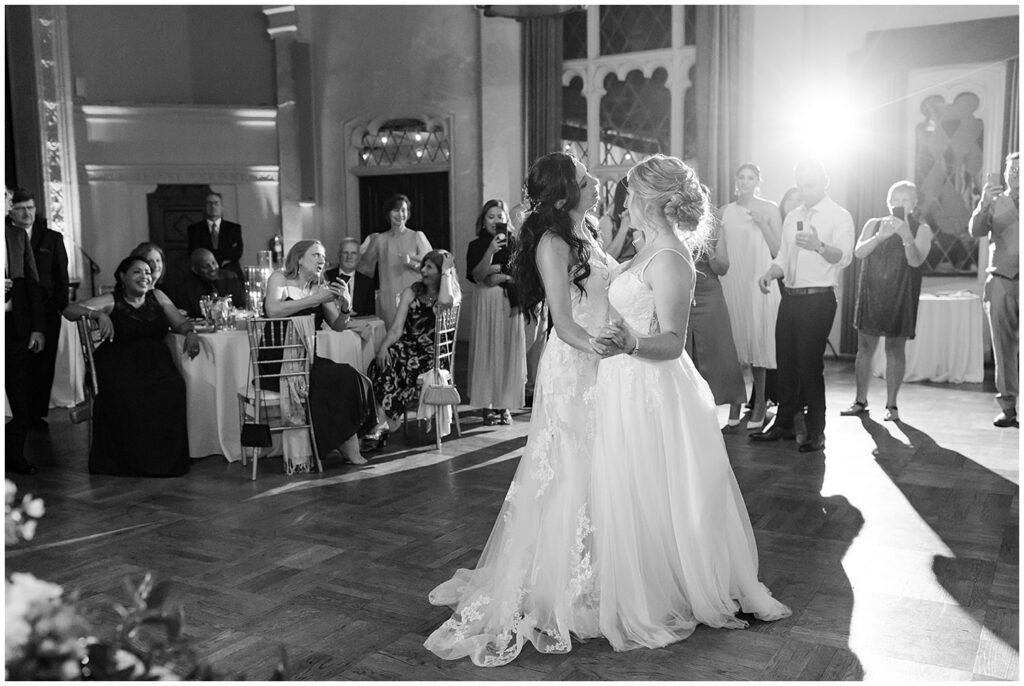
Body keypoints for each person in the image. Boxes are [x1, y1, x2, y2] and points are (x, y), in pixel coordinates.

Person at [589, 153, 791, 650]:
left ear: (647, 201)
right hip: (625, 384)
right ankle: (644, 577)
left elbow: (674, 342)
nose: (624, 202)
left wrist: (630, 342)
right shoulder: (644, 249)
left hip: (653, 389)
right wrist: (619, 337)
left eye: (629, 193)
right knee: (636, 487)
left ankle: (671, 587)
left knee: (662, 487)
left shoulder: (672, 258)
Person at [425, 152, 612, 665]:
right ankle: (560, 582)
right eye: (582, 177)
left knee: (596, 468)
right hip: (576, 364)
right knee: (567, 470)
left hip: (597, 361)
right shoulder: (553, 244)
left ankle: (598, 570)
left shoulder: (585, 232)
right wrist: (611, 350)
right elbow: (565, 322)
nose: (592, 179)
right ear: (562, 195)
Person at [752, 159, 854, 453]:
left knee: (810, 366)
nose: (805, 191)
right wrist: (770, 274)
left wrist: (819, 246)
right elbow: (784, 255)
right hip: (791, 297)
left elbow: (844, 257)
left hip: (819, 298)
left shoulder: (838, 215)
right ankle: (783, 424)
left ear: (824, 182)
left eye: (810, 185)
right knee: (785, 363)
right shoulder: (793, 215)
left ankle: (816, 431)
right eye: (800, 185)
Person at [63, 256, 197, 477]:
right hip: (118, 361)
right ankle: (129, 461)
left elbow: (179, 322)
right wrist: (96, 314)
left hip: (156, 361)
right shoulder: (111, 299)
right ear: (123, 277)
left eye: (147, 272)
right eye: (137, 272)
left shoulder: (158, 296)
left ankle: (165, 459)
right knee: (128, 392)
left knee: (173, 388)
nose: (144, 276)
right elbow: (69, 310)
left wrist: (190, 332)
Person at [263, 240, 379, 467]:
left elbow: (338, 325)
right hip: (277, 360)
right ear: (299, 258)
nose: (322, 261)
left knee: (349, 375)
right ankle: (344, 444)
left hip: (307, 358)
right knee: (333, 378)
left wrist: (345, 306)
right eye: (316, 255)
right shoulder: (280, 279)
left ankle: (345, 439)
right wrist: (316, 299)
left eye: (323, 257)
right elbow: (273, 310)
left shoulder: (318, 288)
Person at [843, 181, 933, 422]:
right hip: (872, 291)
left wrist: (906, 236)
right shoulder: (873, 224)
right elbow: (859, 253)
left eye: (905, 199)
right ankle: (860, 400)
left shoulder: (922, 229)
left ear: (914, 204)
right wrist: (880, 237)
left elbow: (915, 262)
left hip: (901, 293)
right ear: (888, 201)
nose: (899, 203)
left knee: (895, 348)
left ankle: (891, 405)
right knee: (864, 348)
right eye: (895, 199)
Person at [366, 249, 461, 443]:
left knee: (401, 367)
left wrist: (446, 272)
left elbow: (445, 301)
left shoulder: (452, 293)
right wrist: (383, 347)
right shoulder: (412, 291)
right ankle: (385, 418)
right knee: (381, 361)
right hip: (409, 346)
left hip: (434, 352)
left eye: (430, 267)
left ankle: (386, 420)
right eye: (423, 265)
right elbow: (397, 328)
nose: (423, 270)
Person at [717, 163, 782, 430]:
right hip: (732, 282)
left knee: (758, 342)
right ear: (735, 180)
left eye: (750, 177)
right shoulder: (723, 212)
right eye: (741, 176)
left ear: (758, 181)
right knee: (733, 345)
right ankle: (735, 400)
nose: (745, 181)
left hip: (759, 282)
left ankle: (760, 403)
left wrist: (763, 223)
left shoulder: (769, 209)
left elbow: (779, 249)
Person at [8, 188, 69, 431]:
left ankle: (37, 413)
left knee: (44, 365)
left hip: (46, 310)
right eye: (21, 208)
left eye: (31, 208)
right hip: (18, 311)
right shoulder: (9, 235)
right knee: (21, 368)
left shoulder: (51, 238)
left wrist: (59, 306)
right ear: (11, 210)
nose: (27, 213)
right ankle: (20, 414)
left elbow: (61, 275)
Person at [466, 199, 526, 425]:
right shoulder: (475, 245)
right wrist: (490, 252)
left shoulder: (517, 243)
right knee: (488, 350)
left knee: (508, 352)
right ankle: (486, 404)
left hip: (510, 301)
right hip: (487, 304)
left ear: (506, 220)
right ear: (483, 221)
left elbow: (520, 273)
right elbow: (479, 276)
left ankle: (504, 404)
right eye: (491, 217)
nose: (496, 221)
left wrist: (499, 274)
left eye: (500, 217)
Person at [970, 152, 1019, 428]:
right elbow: (975, 230)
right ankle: (1009, 407)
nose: (1013, 174)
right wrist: (983, 203)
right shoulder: (994, 200)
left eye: (1019, 170)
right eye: (1010, 169)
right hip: (1001, 279)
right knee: (1003, 346)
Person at [684, 218, 747, 410]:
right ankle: (693, 405)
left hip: (709, 294)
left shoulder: (715, 229)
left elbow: (723, 267)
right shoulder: (672, 225)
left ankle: (733, 404)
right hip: (684, 292)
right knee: (687, 351)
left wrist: (707, 246)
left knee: (720, 349)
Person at [5, 198, 47, 474]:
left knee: (18, 393)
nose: (7, 202)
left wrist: (38, 327)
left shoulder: (17, 235)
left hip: (15, 325)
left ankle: (14, 457)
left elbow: (33, 284)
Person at [357, 193, 432, 328]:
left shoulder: (417, 236)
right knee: (390, 338)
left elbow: (431, 269)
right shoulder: (380, 239)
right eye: (396, 210)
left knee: (412, 336)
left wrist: (410, 262)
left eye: (403, 210)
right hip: (388, 299)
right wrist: (361, 249)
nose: (400, 214)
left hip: (413, 296)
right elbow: (365, 269)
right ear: (388, 213)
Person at [165, 248, 246, 319]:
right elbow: (192, 313)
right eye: (206, 266)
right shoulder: (187, 287)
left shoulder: (230, 277)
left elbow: (241, 305)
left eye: (214, 263)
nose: (213, 268)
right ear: (195, 270)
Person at [187, 191, 244, 283]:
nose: (213, 206)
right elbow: (196, 252)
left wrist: (213, 256)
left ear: (222, 207)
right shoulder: (195, 229)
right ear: (204, 207)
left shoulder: (233, 228)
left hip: (230, 272)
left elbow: (237, 252)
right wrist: (222, 256)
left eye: (216, 203)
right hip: (203, 274)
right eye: (209, 203)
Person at [324, 237, 376, 317]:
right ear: (339, 255)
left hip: (358, 325)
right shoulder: (326, 277)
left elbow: (370, 313)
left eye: (353, 253)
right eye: (345, 253)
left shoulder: (367, 283)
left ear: (359, 257)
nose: (349, 257)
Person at [597, 177, 637, 261]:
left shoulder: (639, 219)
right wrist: (624, 227)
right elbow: (607, 258)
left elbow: (644, 256)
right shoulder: (607, 221)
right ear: (623, 197)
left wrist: (636, 228)